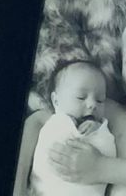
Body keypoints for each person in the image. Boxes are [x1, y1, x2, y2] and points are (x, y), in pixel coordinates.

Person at [14, 60, 126, 195]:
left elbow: (109, 145)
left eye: (100, 100)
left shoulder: (104, 127)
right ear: (56, 101)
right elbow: (36, 124)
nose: (92, 105)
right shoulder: (51, 121)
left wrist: (97, 132)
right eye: (81, 97)